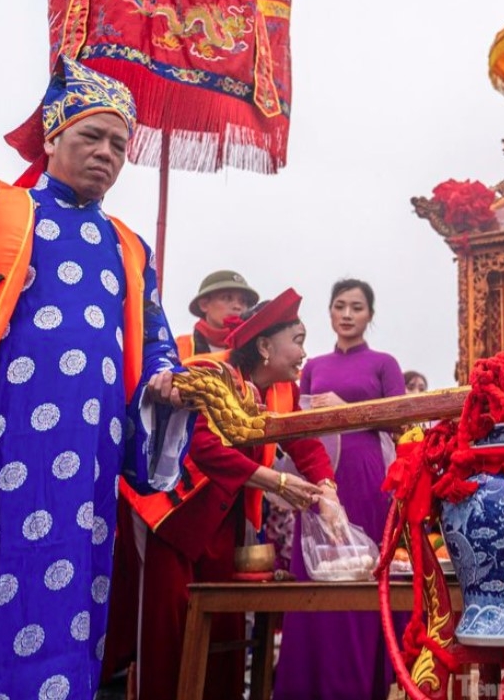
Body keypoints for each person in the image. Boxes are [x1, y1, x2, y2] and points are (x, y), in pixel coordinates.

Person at [0, 56, 190, 699]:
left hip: (84, 464)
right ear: (53, 137)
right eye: (91, 136)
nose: (107, 153)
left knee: (72, 597)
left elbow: (154, 347)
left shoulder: (128, 247)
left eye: (119, 143)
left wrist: (171, 387)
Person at [111, 288, 340, 700]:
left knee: (223, 630)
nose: (305, 353)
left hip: (221, 522)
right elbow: (202, 445)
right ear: (266, 346)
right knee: (168, 636)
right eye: (299, 340)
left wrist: (328, 491)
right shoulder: (210, 372)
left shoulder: (282, 390)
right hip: (171, 515)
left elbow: (304, 442)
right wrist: (276, 481)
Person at [273, 278, 407, 700]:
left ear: (370, 315)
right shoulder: (312, 367)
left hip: (367, 475)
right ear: (330, 312)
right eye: (340, 306)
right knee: (317, 564)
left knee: (362, 569)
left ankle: (362, 682)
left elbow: (400, 420)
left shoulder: (384, 363)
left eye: (357, 307)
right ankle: (308, 682)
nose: (347, 315)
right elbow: (300, 420)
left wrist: (349, 411)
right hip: (322, 475)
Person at [174, 269, 259, 359]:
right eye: (227, 298)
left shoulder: (257, 349)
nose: (237, 306)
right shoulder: (179, 347)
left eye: (243, 301)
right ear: (204, 304)